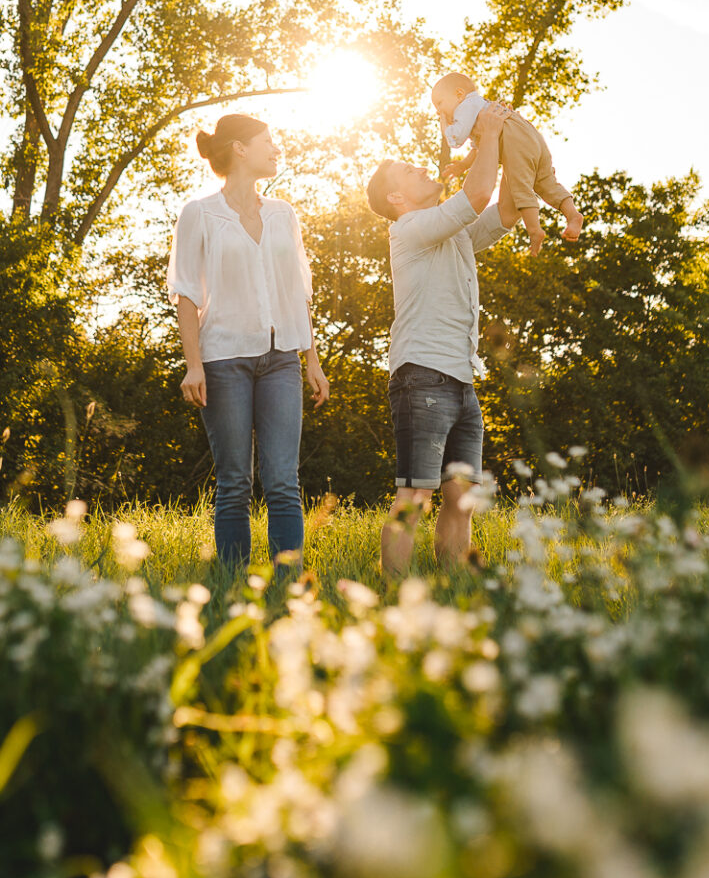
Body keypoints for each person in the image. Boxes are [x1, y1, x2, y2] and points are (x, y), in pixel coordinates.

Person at [168, 113, 329, 572]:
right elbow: (186, 293)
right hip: (223, 360)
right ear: (240, 148)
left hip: (281, 360)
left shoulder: (283, 214)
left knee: (283, 480)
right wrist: (193, 365)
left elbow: (298, 291)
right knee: (235, 480)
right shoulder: (199, 213)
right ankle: (233, 584)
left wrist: (311, 360)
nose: (276, 149)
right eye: (268, 141)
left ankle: (287, 584)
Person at [366, 100, 516, 578]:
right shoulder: (409, 228)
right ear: (396, 199)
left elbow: (507, 208)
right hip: (422, 375)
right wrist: (486, 133)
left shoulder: (455, 234)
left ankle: (454, 588)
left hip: (460, 378)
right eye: (409, 170)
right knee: (415, 495)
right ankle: (394, 596)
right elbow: (473, 196)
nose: (421, 167)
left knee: (461, 497)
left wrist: (505, 141)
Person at [431, 70, 582, 257]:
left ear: (459, 94)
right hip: (528, 133)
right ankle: (573, 215)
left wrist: (443, 122)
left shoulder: (464, 107)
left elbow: (454, 139)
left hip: (514, 139)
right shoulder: (481, 107)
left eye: (439, 103)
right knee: (545, 181)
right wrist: (463, 165)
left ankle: (534, 229)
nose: (438, 110)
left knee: (519, 183)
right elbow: (479, 149)